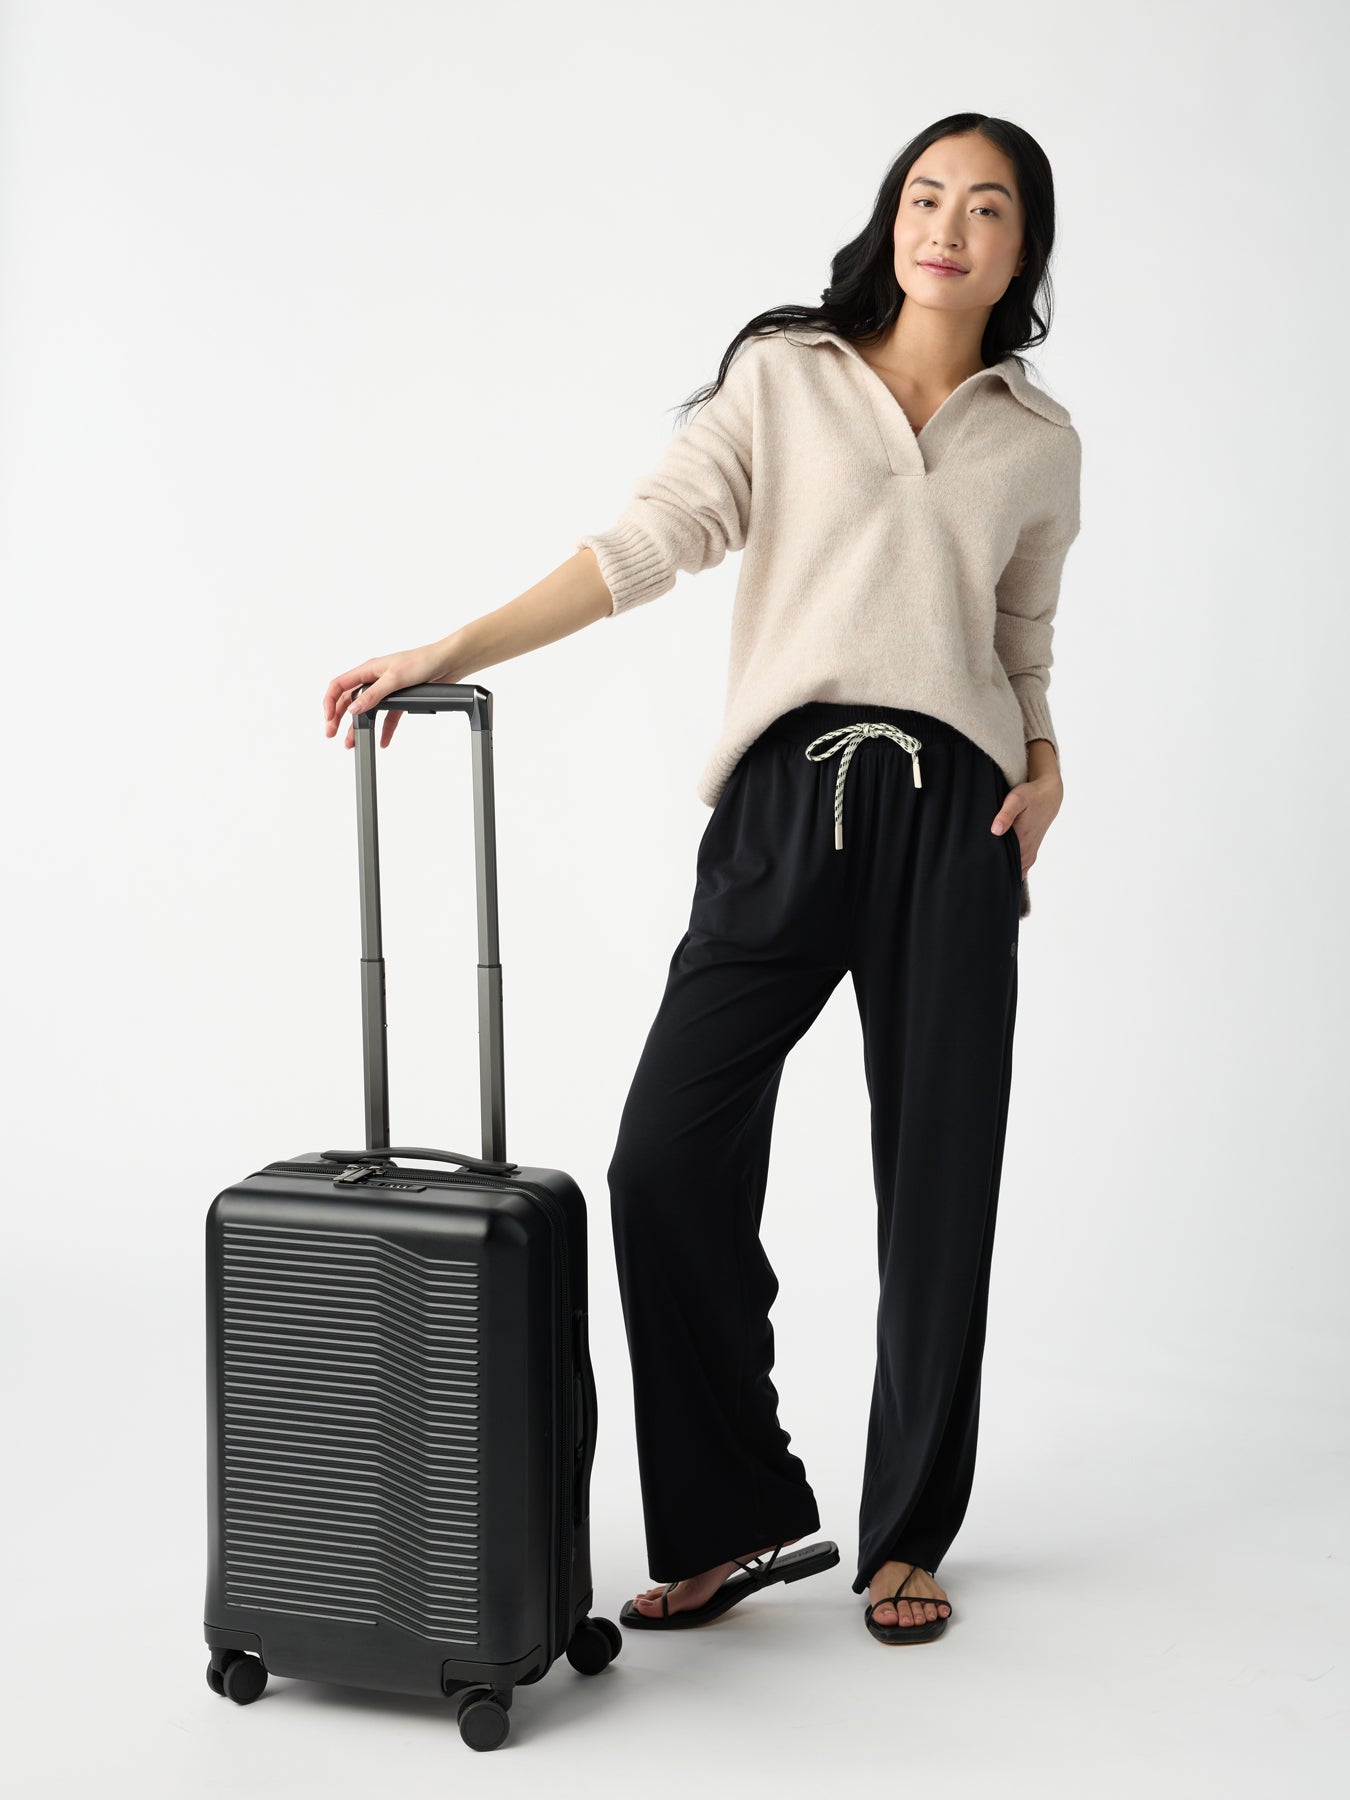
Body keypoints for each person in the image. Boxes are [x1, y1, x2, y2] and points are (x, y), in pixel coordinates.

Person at [321, 113, 1082, 1649]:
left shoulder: (1036, 442)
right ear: (891, 217)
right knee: (662, 1159)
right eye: (924, 195)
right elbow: (652, 540)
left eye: (984, 207)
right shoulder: (785, 376)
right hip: (783, 803)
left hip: (956, 821)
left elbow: (1018, 640)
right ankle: (737, 1518)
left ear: (1019, 251)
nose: (946, 225)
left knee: (937, 1187)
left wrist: (1045, 759)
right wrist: (449, 647)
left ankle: (904, 1536)